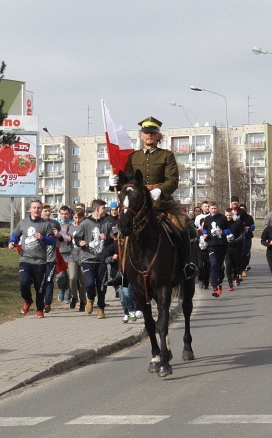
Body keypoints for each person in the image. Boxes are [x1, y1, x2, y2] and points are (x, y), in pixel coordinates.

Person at [109, 116, 198, 278]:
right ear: (141, 135)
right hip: (139, 204)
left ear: (158, 136)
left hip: (162, 203)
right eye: (146, 132)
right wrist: (114, 183)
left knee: (183, 226)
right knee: (122, 231)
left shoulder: (166, 156)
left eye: (152, 132)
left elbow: (173, 180)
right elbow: (128, 180)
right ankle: (122, 270)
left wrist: (160, 191)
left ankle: (186, 265)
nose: (149, 135)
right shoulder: (134, 157)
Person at [8, 199, 56, 318]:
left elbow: (53, 241)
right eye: (34, 208)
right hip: (25, 259)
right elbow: (15, 235)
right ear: (30, 209)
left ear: (41, 210)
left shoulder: (46, 224)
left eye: (39, 208)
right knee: (24, 283)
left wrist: (43, 238)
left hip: (40, 261)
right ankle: (28, 301)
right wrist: (12, 242)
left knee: (39, 287)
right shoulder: (23, 223)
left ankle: (40, 309)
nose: (36, 210)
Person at [74, 199, 114, 319]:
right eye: (103, 208)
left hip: (101, 260)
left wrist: (106, 238)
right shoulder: (85, 223)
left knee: (102, 285)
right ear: (97, 209)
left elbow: (112, 241)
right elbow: (76, 237)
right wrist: (80, 241)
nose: (105, 210)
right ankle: (90, 298)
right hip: (87, 259)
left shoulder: (106, 223)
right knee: (90, 284)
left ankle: (101, 308)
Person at [40, 203, 63, 312]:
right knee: (40, 281)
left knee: (49, 280)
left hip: (51, 257)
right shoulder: (37, 224)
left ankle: (47, 303)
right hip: (38, 257)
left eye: (49, 211)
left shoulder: (55, 223)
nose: (48, 213)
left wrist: (58, 235)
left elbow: (61, 239)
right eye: (45, 211)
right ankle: (40, 301)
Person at [202, 203, 228, 297]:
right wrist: (204, 234)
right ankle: (214, 286)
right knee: (214, 264)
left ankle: (220, 282)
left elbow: (229, 230)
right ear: (209, 209)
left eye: (215, 208)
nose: (214, 210)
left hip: (221, 245)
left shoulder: (222, 218)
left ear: (218, 209)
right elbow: (204, 229)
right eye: (212, 208)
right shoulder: (207, 219)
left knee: (220, 266)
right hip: (211, 245)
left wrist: (223, 232)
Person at [68, 210, 87, 311]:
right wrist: (67, 240)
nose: (78, 220)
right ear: (73, 217)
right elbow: (67, 240)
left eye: (80, 218)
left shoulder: (86, 226)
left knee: (83, 281)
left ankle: (83, 300)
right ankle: (74, 296)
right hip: (73, 256)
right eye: (76, 218)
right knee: (72, 277)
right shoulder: (70, 227)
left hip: (84, 256)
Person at [56, 205, 74, 303]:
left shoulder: (72, 225)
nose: (64, 216)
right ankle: (61, 289)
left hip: (71, 253)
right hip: (59, 253)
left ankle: (68, 296)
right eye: (62, 214)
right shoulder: (56, 224)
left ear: (70, 214)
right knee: (60, 276)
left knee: (70, 276)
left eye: (66, 214)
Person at [223, 208, 245, 291]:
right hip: (227, 248)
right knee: (228, 265)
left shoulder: (237, 223)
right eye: (227, 215)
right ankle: (230, 284)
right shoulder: (223, 224)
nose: (228, 217)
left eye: (230, 215)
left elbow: (242, 235)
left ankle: (236, 275)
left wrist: (235, 241)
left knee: (236, 265)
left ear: (232, 215)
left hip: (236, 247)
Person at [237, 203, 255, 279]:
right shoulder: (236, 218)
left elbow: (253, 226)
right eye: (240, 209)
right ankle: (238, 269)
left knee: (246, 253)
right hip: (238, 239)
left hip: (247, 237)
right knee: (239, 254)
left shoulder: (249, 217)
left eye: (243, 209)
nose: (242, 211)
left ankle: (244, 267)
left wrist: (249, 228)